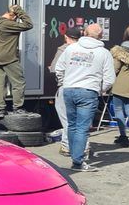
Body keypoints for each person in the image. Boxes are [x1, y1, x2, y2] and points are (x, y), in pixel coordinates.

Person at [55, 21, 115, 172]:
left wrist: (65, 82)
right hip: (88, 91)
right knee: (82, 128)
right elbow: (109, 79)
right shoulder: (104, 53)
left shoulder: (71, 48)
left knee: (72, 125)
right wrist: (99, 90)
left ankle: (73, 153)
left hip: (69, 89)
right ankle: (77, 161)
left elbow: (59, 68)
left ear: (85, 33)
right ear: (101, 36)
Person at [0, 3, 33, 119]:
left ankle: (1, 109)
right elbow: (28, 24)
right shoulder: (8, 24)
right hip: (9, 58)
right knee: (18, 82)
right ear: (13, 16)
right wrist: (19, 11)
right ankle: (18, 107)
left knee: (0, 84)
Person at [48, 27, 80, 156]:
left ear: (66, 37)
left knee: (67, 119)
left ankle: (67, 145)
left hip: (67, 87)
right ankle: (83, 145)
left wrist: (61, 80)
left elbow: (55, 68)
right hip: (84, 88)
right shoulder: (86, 50)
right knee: (80, 121)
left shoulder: (64, 49)